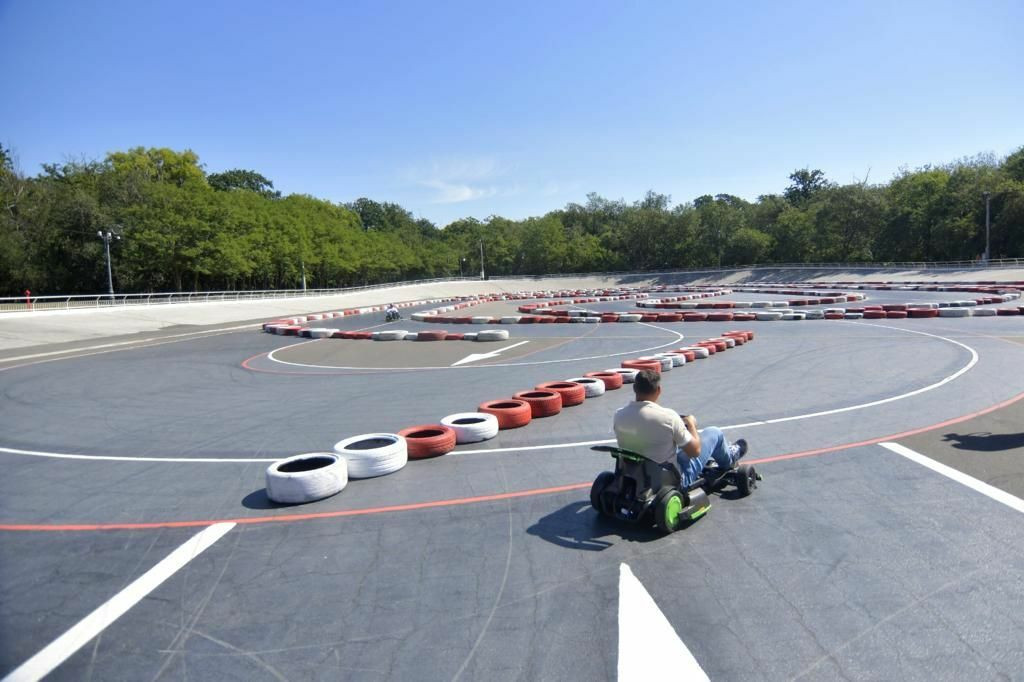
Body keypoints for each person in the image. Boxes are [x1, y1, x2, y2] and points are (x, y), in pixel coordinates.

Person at [613, 369, 746, 487]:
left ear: (634, 388)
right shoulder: (668, 417)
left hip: (633, 476)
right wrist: (691, 424)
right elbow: (695, 452)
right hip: (670, 480)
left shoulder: (619, 415)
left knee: (674, 446)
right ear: (659, 390)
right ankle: (729, 458)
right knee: (713, 432)